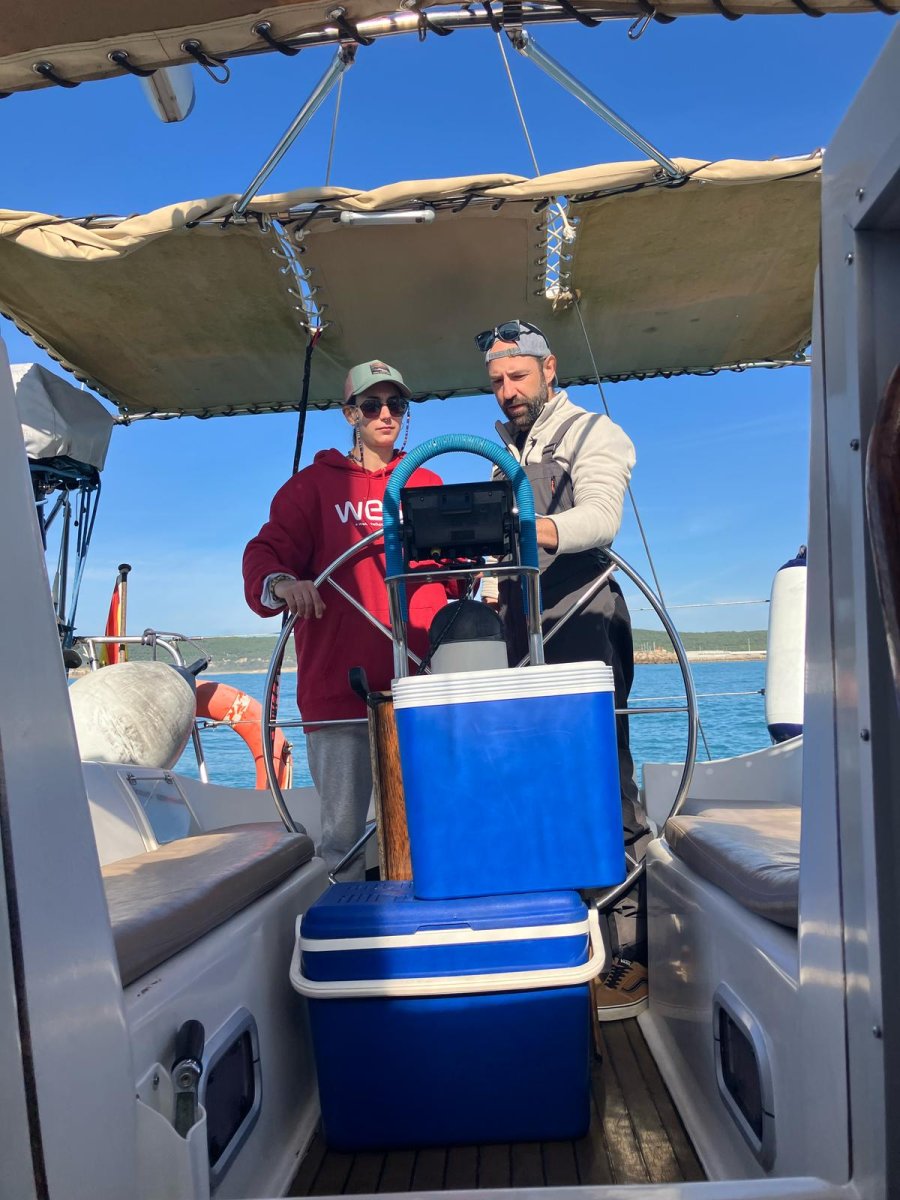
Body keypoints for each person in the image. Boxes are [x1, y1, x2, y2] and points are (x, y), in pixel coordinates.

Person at [476, 319, 652, 1020]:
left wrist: (528, 527)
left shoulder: (595, 435)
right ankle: (559, 939)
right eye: (497, 381)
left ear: (549, 369)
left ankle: (628, 954)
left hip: (584, 622)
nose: (508, 390)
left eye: (519, 376)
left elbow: (601, 520)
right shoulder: (504, 455)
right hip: (519, 631)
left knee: (604, 781)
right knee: (536, 784)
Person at [243, 359, 455, 879]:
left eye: (396, 405)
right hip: (339, 696)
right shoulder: (310, 488)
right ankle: (350, 941)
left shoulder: (425, 481)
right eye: (372, 405)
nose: (387, 414)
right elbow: (264, 553)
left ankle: (432, 931)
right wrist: (282, 585)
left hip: (420, 691)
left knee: (430, 826)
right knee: (344, 838)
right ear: (349, 415)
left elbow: (458, 570)